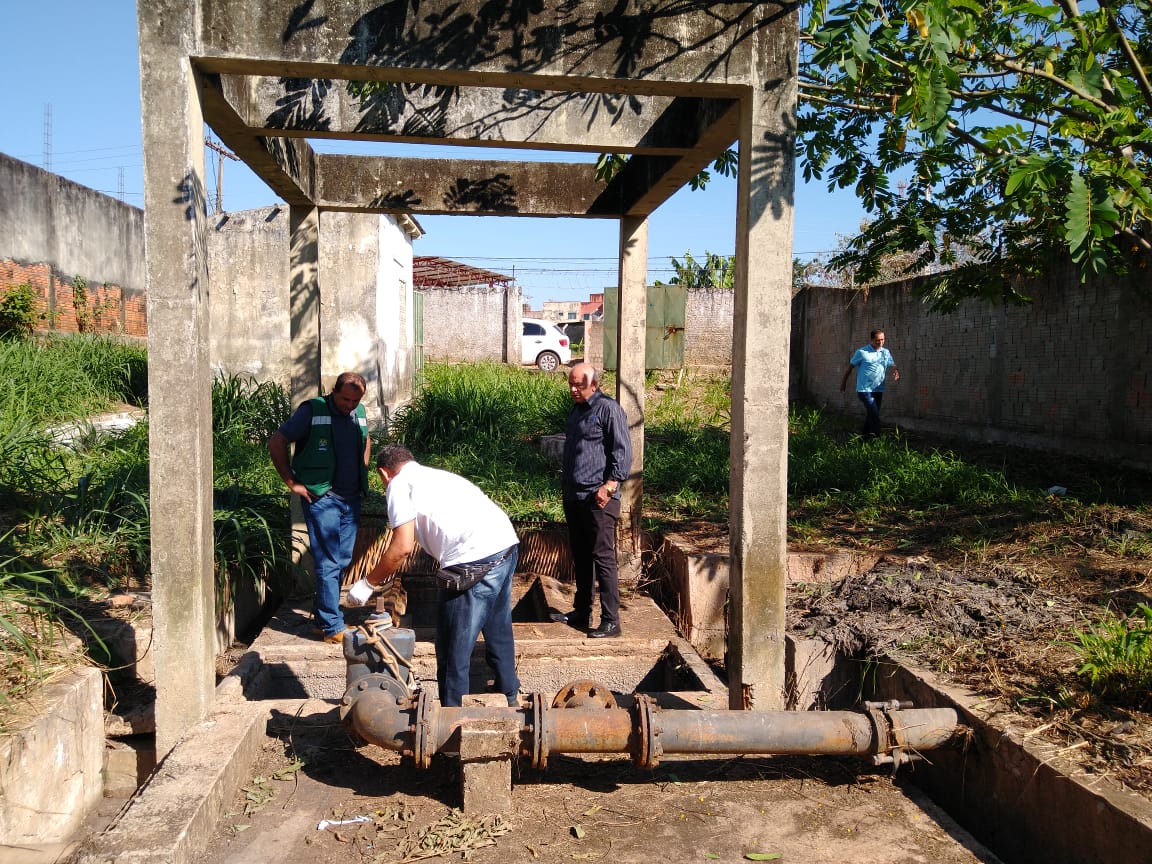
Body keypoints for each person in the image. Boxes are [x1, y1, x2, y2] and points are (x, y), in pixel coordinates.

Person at [349, 444, 521, 708]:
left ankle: (451, 726)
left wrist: (367, 583)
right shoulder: (436, 476)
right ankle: (511, 697)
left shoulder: (397, 485)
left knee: (453, 647)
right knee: (497, 627)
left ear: (384, 474)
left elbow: (402, 547)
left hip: (473, 560)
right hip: (506, 545)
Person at [268, 372, 371, 643]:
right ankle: (330, 626)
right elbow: (276, 442)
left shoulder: (359, 411)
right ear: (333, 391)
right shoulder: (312, 411)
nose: (350, 405)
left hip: (351, 498)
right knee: (328, 561)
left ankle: (323, 616)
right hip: (322, 496)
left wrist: (363, 466)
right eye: (345, 399)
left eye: (355, 400)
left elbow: (366, 439)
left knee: (343, 559)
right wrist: (292, 482)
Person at [552, 362, 632, 639]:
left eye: (579, 385)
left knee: (603, 557)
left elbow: (621, 451)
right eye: (571, 384)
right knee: (581, 555)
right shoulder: (576, 411)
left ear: (594, 384)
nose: (573, 389)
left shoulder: (608, 409)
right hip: (575, 494)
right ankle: (581, 610)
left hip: (599, 498)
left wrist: (609, 486)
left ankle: (611, 620)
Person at [840, 329, 900, 438]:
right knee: (874, 414)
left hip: (878, 389)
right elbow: (849, 369)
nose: (881, 342)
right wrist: (843, 383)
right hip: (864, 390)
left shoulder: (886, 352)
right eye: (878, 340)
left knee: (871, 414)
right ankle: (878, 438)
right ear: (872, 340)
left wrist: (896, 372)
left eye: (883, 340)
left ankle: (864, 438)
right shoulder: (862, 352)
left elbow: (892, 364)